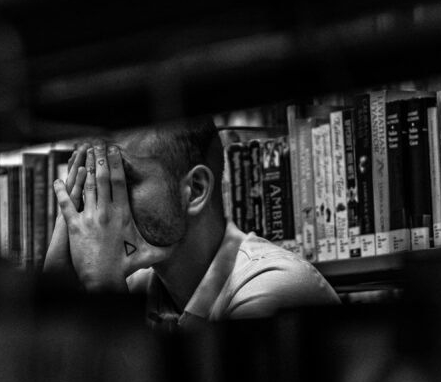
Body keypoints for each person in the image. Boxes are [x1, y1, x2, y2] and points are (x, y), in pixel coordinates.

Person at [44, 118, 340, 330]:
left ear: (195, 190)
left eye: (122, 179)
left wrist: (104, 291)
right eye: (96, 181)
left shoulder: (273, 285)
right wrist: (56, 286)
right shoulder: (136, 286)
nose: (101, 209)